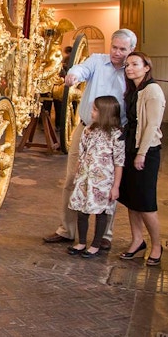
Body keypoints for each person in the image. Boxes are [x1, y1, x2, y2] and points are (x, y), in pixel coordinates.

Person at [43, 28, 137, 248]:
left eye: (123, 49)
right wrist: (74, 75)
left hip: (114, 133)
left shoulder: (131, 70)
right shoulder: (97, 60)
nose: (117, 52)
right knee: (71, 180)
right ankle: (67, 230)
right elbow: (81, 68)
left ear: (131, 49)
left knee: (109, 185)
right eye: (114, 47)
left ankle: (104, 235)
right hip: (86, 130)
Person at [117, 52, 165, 266]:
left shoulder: (152, 90)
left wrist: (142, 153)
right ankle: (137, 240)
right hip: (129, 148)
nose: (129, 68)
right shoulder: (134, 90)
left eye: (135, 64)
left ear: (147, 67)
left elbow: (152, 125)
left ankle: (156, 245)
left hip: (146, 150)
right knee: (132, 199)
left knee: (146, 202)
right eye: (127, 65)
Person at [66, 96, 124, 258]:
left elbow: (119, 162)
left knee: (101, 213)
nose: (91, 112)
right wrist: (76, 176)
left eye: (94, 110)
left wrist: (116, 186)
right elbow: (82, 155)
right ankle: (82, 242)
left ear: (104, 113)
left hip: (103, 182)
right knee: (82, 212)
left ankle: (96, 244)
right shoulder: (88, 130)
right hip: (85, 179)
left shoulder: (116, 135)